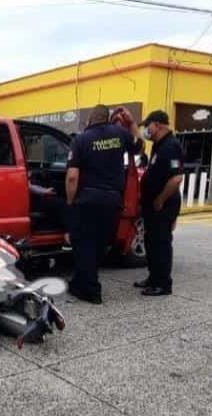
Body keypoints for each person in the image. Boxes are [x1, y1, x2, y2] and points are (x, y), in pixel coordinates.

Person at [65, 105, 143, 304]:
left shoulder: (81, 140)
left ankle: (91, 290)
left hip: (88, 201)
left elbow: (72, 177)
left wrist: (70, 202)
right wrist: (132, 123)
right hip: (112, 201)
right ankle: (81, 283)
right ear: (107, 119)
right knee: (100, 245)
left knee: (84, 244)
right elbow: (140, 146)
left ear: (90, 119)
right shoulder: (120, 134)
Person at [134, 110, 184, 297]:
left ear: (159, 125)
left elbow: (176, 178)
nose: (147, 129)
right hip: (153, 204)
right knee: (151, 242)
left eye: (148, 125)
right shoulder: (159, 145)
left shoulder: (171, 146)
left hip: (163, 204)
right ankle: (153, 277)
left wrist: (160, 200)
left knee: (161, 243)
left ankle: (163, 284)